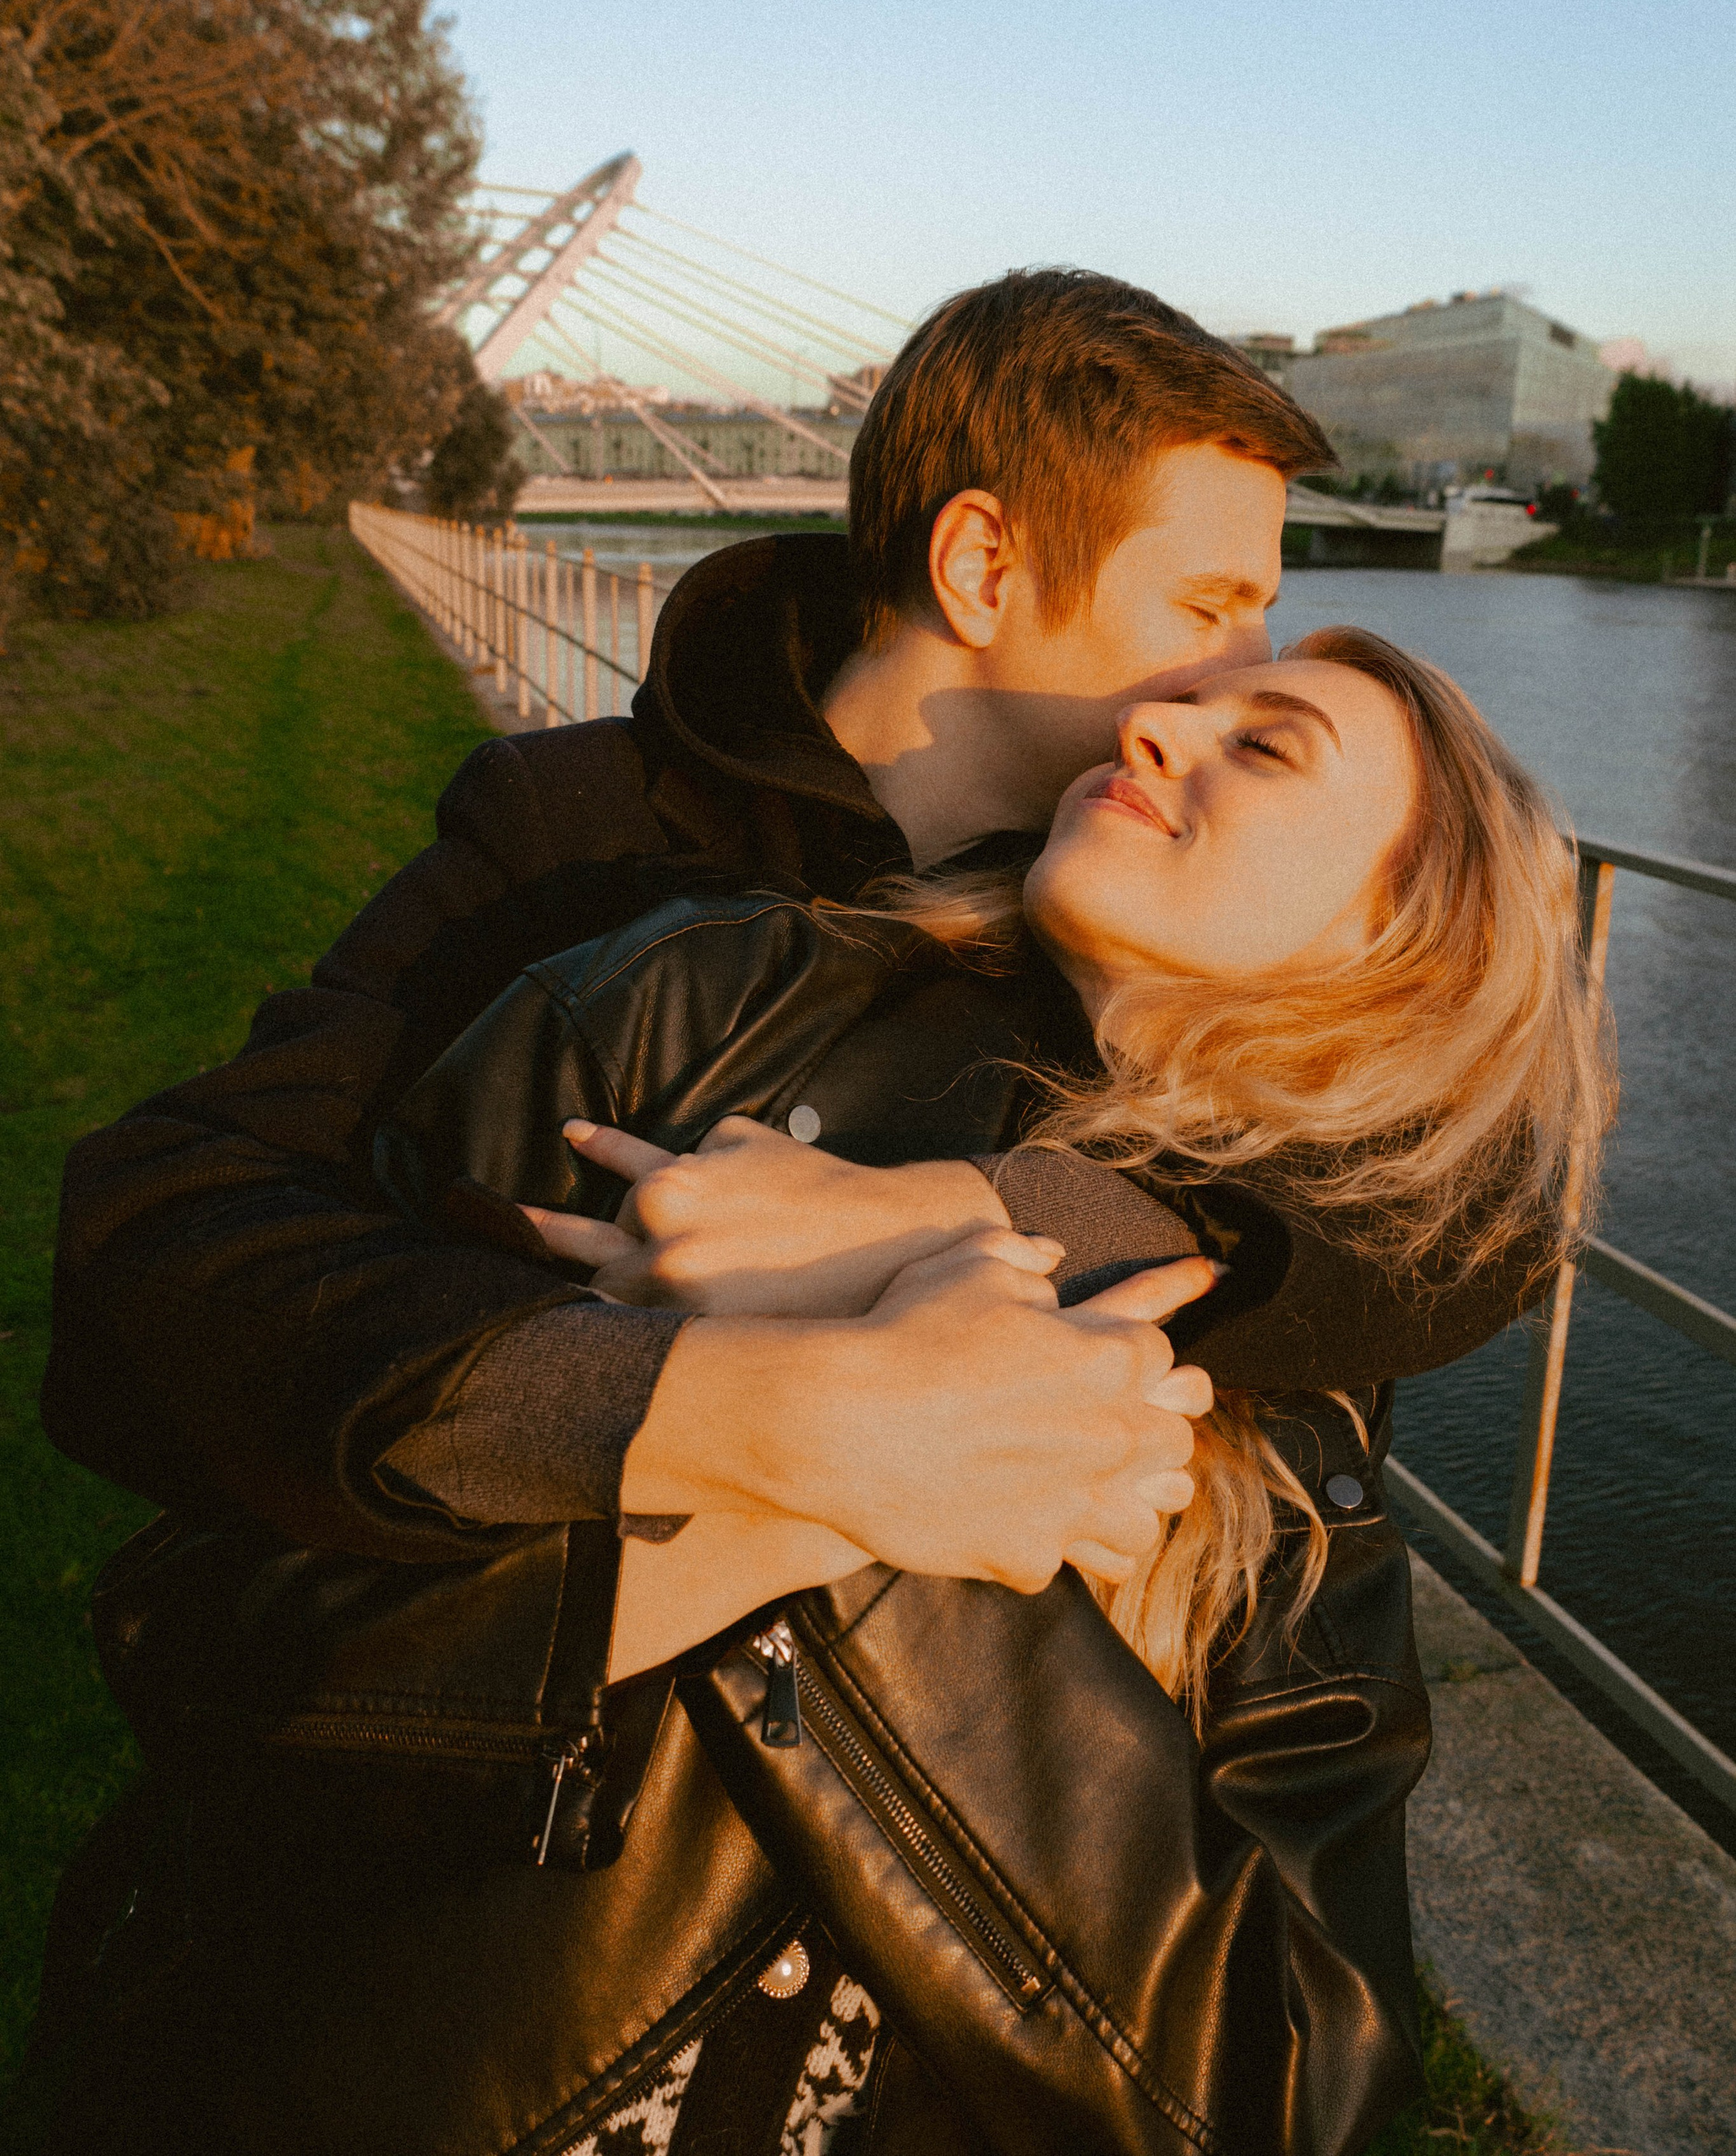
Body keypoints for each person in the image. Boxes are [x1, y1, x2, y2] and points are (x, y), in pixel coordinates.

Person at [28, 629, 1611, 2155]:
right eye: (1187, 672)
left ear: (1400, 942)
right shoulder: (692, 1012)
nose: (1145, 724)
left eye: (1259, 743)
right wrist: (808, 1425)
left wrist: (891, 1458)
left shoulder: (1294, 1381)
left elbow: (1275, 2088)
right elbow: (214, 1641)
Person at [45, 269, 1342, 1593]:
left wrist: (968, 1211)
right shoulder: (573, 828)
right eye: (1209, 607)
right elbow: (154, 1247)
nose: (1250, 669)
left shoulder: (1159, 898)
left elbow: (1459, 1208)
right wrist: (720, 1405)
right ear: (981, 568)